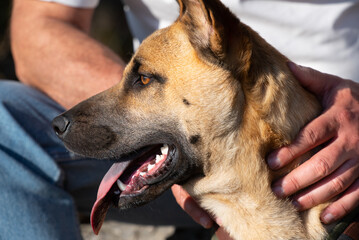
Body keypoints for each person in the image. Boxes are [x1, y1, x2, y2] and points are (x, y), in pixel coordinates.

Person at [1, 0, 358, 239]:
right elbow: (41, 23)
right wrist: (159, 139)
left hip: (338, 139)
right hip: (188, 136)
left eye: (141, 80)